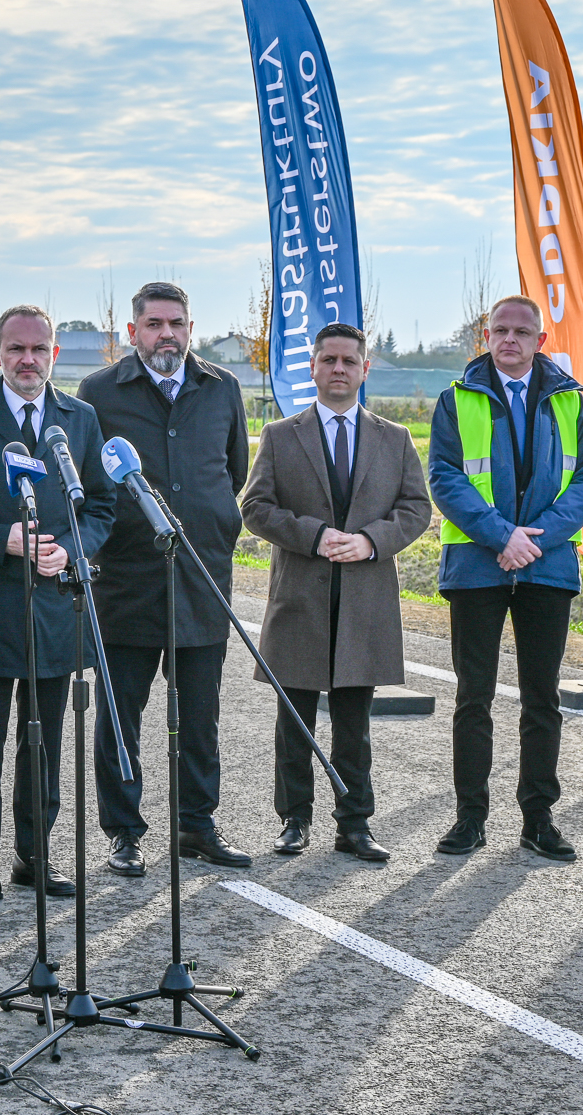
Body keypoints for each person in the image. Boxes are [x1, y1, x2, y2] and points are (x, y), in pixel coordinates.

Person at [0, 305, 116, 900]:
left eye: (39, 350)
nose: (28, 360)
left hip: (56, 609)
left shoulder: (79, 420)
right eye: (15, 349)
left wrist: (70, 549)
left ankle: (34, 854)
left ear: (54, 355)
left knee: (44, 744)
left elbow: (101, 506)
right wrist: (2, 540)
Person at [78, 281, 252, 875]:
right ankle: (124, 832)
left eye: (177, 323)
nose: (167, 335)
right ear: (133, 332)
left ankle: (196, 826)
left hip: (202, 578)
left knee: (200, 714)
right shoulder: (100, 392)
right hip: (125, 581)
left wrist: (210, 521)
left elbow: (234, 472)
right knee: (119, 714)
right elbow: (93, 479)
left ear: (190, 328)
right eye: (154, 325)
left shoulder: (222, 388)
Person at [240, 322, 431, 862]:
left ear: (365, 369)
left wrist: (371, 541)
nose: (339, 369)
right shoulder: (281, 435)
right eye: (329, 360)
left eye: (349, 361)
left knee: (354, 726)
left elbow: (417, 508)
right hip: (300, 597)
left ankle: (355, 824)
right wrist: (314, 536)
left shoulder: (395, 438)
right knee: (294, 721)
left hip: (365, 600)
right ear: (313, 367)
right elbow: (254, 508)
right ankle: (293, 820)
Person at [428, 295, 583, 861]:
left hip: (546, 567)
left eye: (521, 332)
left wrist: (535, 540)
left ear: (540, 340)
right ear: (486, 335)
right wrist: (502, 536)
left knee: (542, 699)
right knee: (473, 697)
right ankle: (470, 819)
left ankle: (538, 819)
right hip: (477, 565)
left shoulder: (571, 402)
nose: (510, 339)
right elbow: (445, 478)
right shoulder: (456, 399)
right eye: (500, 330)